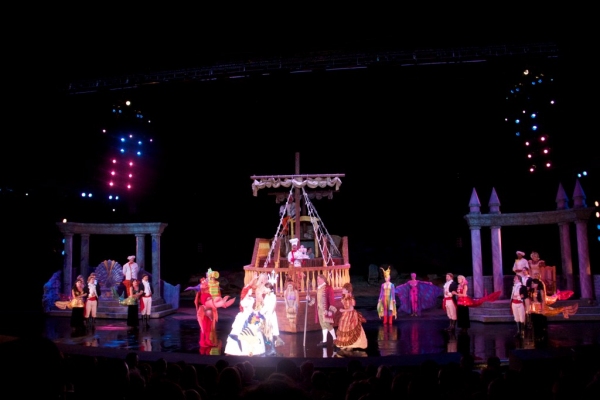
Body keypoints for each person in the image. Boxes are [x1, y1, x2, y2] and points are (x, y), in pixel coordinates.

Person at [224, 287, 266, 356]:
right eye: (250, 290)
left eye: (251, 290)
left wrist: (255, 312)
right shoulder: (244, 301)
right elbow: (245, 306)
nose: (251, 291)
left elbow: (251, 308)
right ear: (246, 291)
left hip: (250, 316)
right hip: (244, 317)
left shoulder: (252, 299)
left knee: (254, 332)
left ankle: (252, 350)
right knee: (241, 332)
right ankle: (238, 350)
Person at [333, 282, 367, 353]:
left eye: (344, 289)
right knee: (344, 327)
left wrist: (343, 310)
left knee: (350, 328)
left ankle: (350, 344)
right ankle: (346, 343)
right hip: (345, 314)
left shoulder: (349, 298)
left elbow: (351, 308)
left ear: (347, 290)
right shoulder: (344, 296)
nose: (342, 290)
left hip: (350, 314)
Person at [307, 274, 337, 347]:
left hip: (326, 310)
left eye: (318, 279)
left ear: (323, 279)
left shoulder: (328, 288)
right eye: (317, 279)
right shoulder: (319, 288)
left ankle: (335, 339)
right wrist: (309, 299)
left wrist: (331, 310)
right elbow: (316, 300)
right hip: (319, 310)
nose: (317, 280)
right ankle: (324, 341)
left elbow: (331, 300)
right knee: (323, 325)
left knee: (328, 325)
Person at [260, 281, 284, 356]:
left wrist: (268, 315)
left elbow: (272, 307)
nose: (265, 290)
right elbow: (265, 306)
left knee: (271, 331)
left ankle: (272, 349)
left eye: (266, 288)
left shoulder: (272, 296)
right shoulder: (267, 296)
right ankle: (270, 348)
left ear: (270, 289)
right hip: (266, 315)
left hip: (270, 315)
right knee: (267, 332)